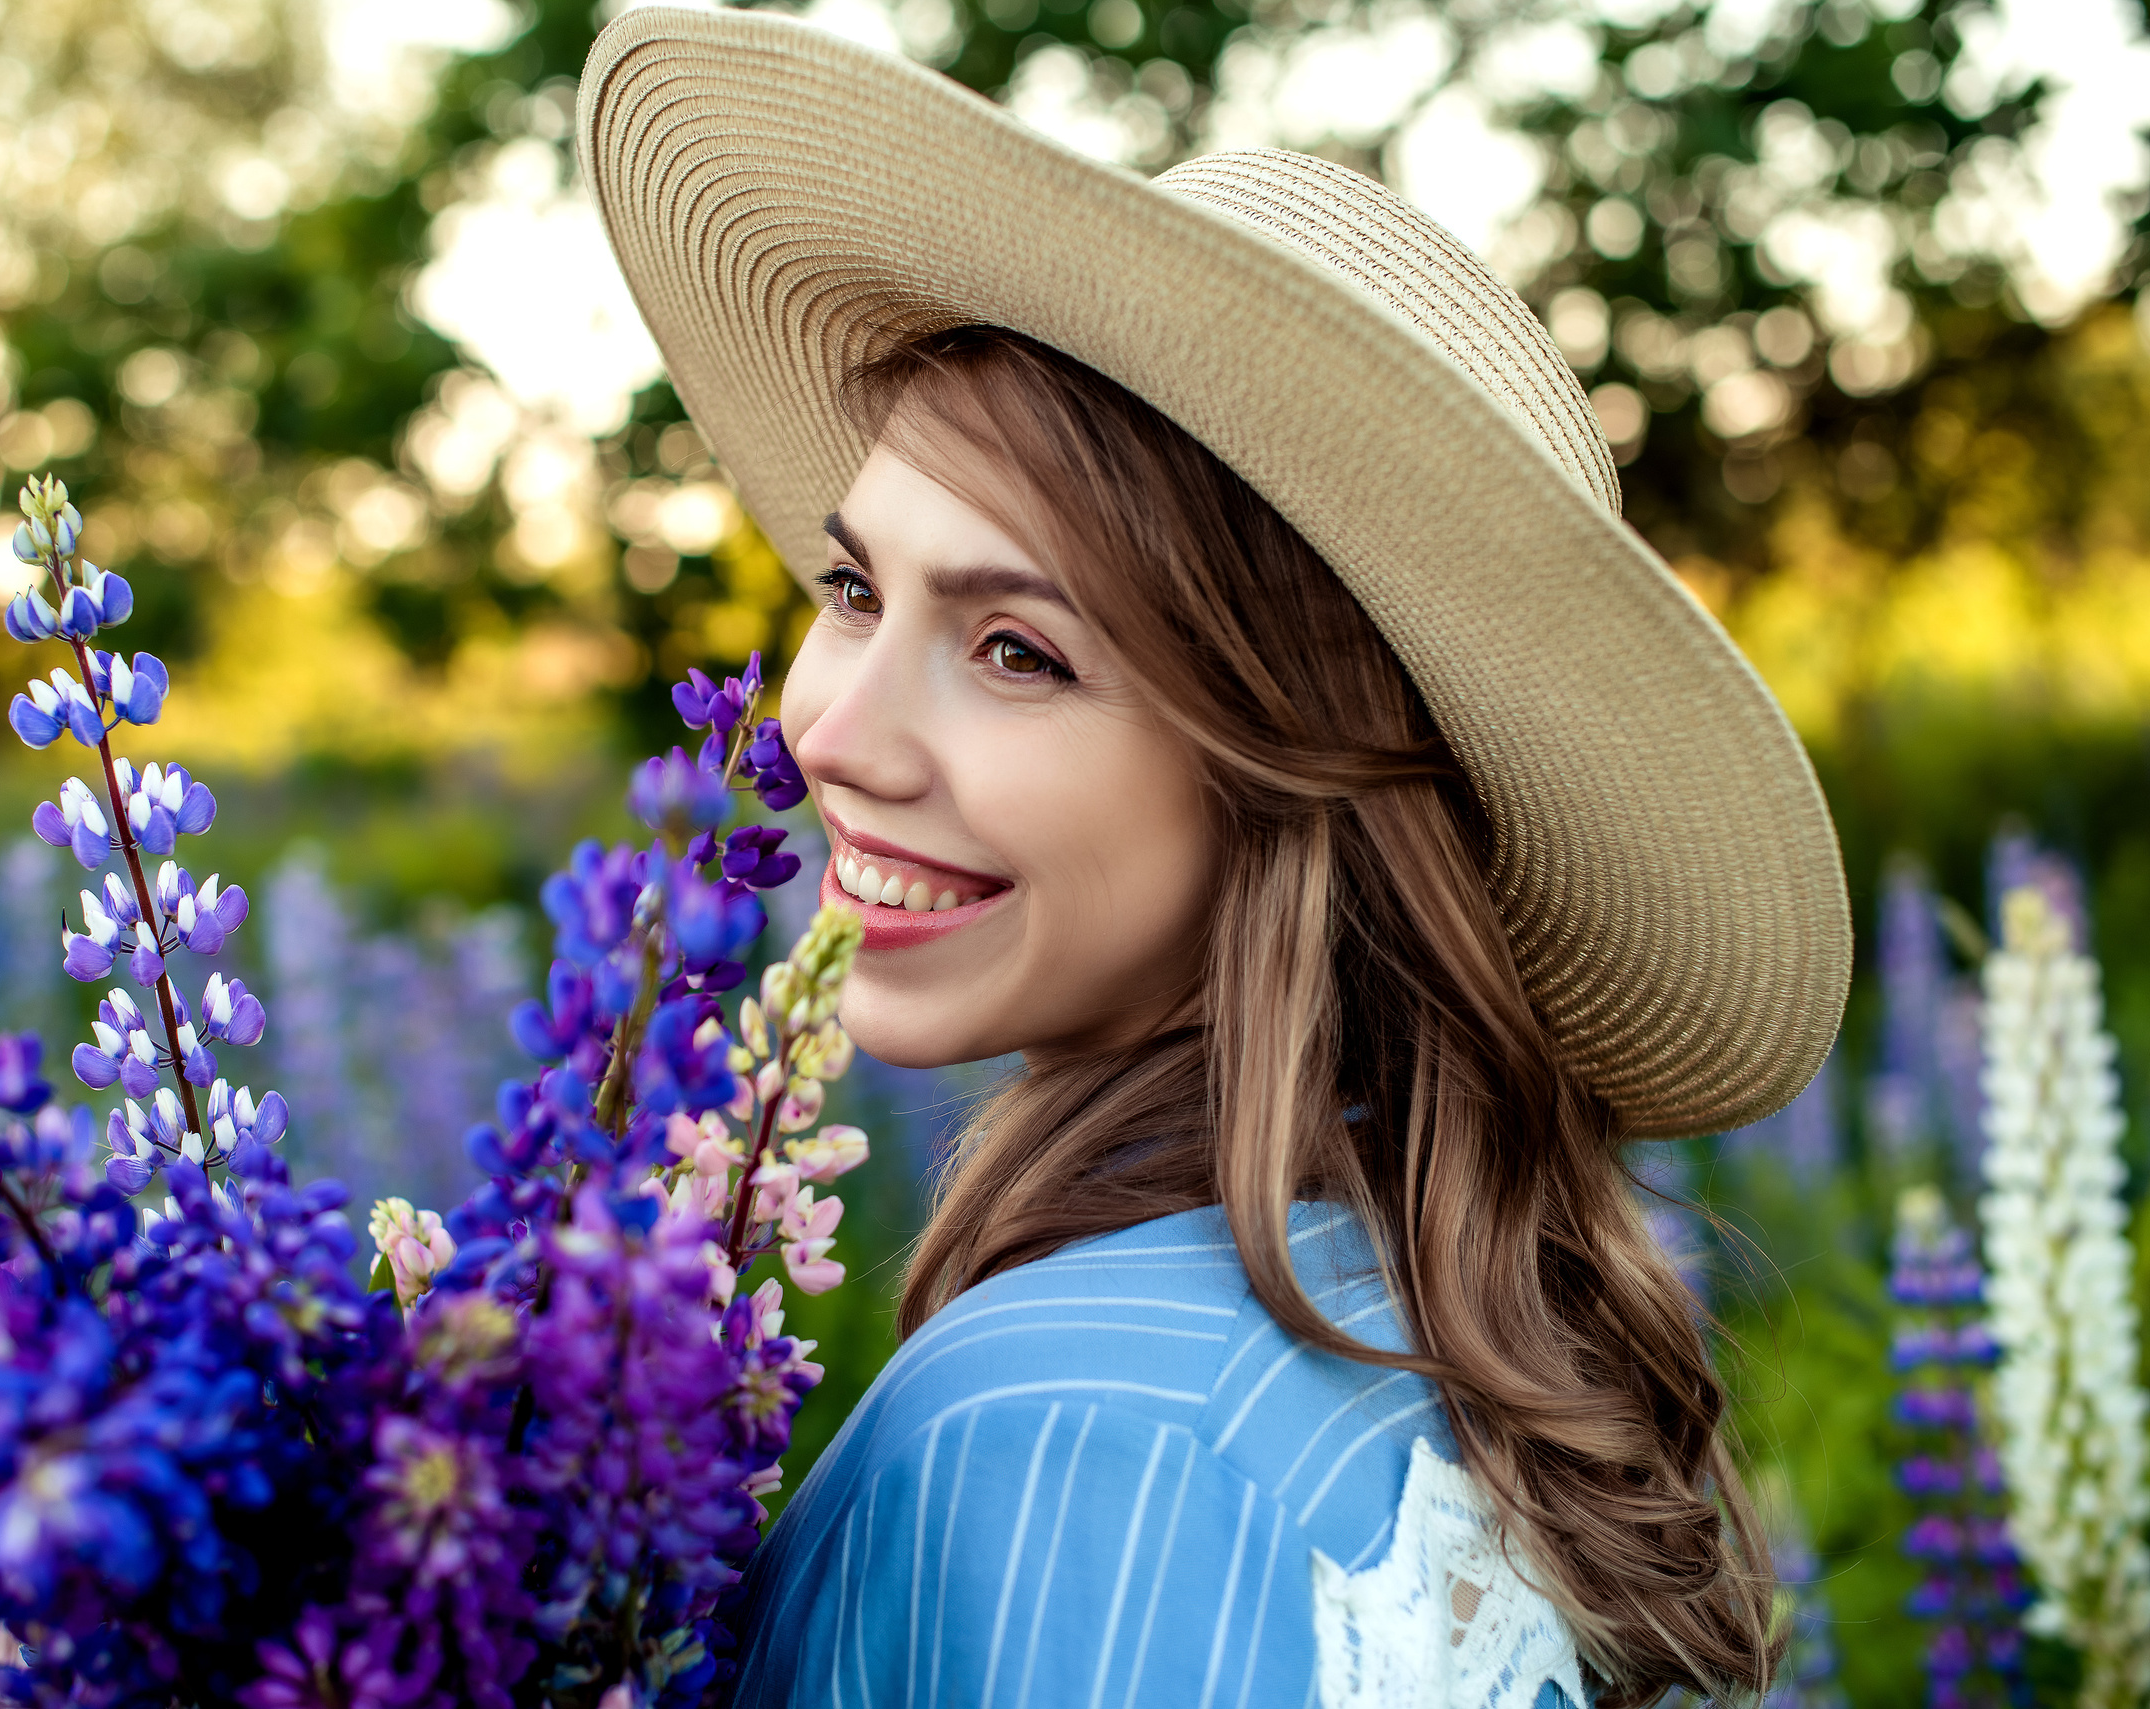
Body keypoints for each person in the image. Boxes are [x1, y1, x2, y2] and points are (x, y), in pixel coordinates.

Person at [578, 12, 1851, 1707]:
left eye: (1019, 649)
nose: (833, 733)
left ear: (1286, 777)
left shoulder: (1071, 1436)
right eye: (854, 592)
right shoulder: (1418, 1331)